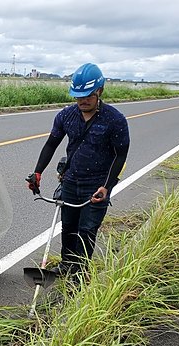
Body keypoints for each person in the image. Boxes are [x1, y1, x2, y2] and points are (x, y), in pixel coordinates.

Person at [27, 62, 130, 277]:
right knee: (69, 227)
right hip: (71, 180)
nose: (82, 101)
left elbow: (120, 155)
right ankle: (66, 266)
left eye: (88, 96)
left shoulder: (115, 120)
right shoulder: (66, 116)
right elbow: (51, 144)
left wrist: (107, 186)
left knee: (87, 230)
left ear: (100, 91)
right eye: (78, 96)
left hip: (97, 184)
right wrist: (37, 172)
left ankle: (80, 274)